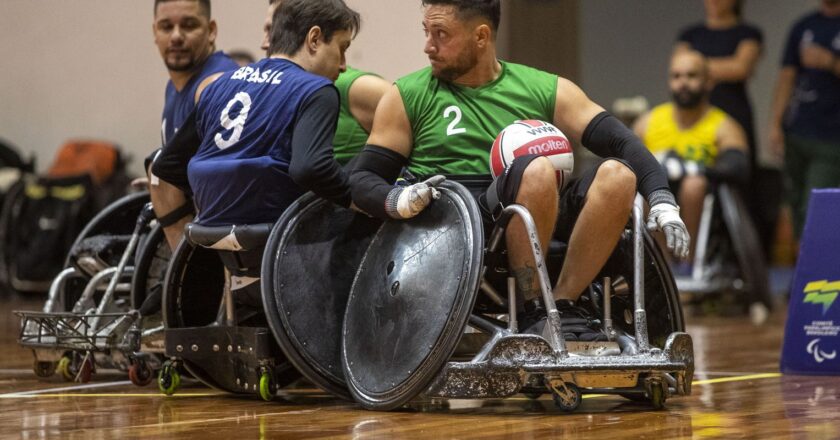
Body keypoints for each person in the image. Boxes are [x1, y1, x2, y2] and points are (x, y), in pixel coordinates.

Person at [349, 0, 689, 341]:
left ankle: (563, 302)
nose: (428, 46)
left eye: (441, 34)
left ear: (481, 36)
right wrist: (400, 199)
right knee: (537, 171)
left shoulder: (541, 87)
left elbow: (623, 142)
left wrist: (661, 198)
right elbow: (362, 180)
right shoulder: (407, 95)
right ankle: (534, 308)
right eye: (426, 32)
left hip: (539, 203)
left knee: (619, 175)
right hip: (458, 219)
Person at [152, 0, 359, 230]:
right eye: (342, 48)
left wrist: (214, 194)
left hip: (209, 230)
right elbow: (311, 168)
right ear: (314, 38)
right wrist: (362, 200)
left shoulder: (219, 83)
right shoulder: (316, 89)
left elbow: (166, 167)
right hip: (274, 230)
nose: (343, 65)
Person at [675, 0, 780, 261]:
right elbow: (679, 62)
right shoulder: (690, 34)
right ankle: (676, 263)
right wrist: (709, 69)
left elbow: (741, 67)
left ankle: (744, 261)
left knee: (739, 188)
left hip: (732, 115)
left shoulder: (748, 33)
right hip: (693, 117)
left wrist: (697, 66)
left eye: (693, 75)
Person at [634, 51, 749, 258]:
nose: (683, 83)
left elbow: (739, 165)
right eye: (676, 76)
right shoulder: (648, 122)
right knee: (637, 189)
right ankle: (663, 263)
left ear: (708, 81)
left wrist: (691, 169)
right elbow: (625, 161)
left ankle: (688, 258)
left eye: (691, 76)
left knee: (693, 184)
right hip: (656, 195)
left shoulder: (724, 125)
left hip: (704, 201)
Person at [149, 0, 238, 246]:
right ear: (154, 32)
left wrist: (162, 185)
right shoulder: (173, 87)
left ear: (211, 31)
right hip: (197, 217)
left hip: (223, 232)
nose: (176, 36)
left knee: (157, 176)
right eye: (166, 27)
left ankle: (184, 273)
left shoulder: (216, 85)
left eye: (189, 25)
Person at [262, 0, 390, 166]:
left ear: (313, 37)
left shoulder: (356, 86)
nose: (265, 43)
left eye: (272, 31)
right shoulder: (268, 86)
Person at [770, 0, 840, 240]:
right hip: (798, 129)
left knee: (817, 205)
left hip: (832, 136)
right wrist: (776, 124)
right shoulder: (803, 26)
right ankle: (803, 269)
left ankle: (817, 270)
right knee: (795, 205)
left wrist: (831, 62)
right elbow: (786, 78)